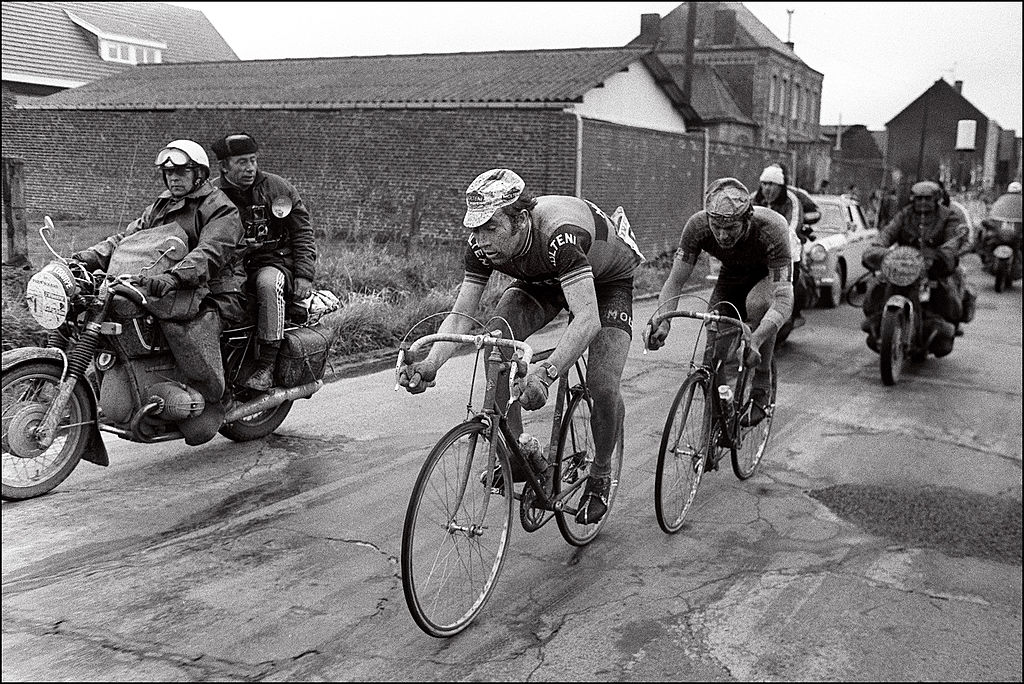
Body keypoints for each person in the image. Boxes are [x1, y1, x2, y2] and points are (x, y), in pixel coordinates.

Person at [397, 168, 644, 524]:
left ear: (522, 220)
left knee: (602, 383)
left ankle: (601, 475)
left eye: (491, 228)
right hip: (542, 281)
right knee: (496, 339)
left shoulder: (560, 234)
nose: (481, 240)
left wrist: (545, 373)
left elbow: (587, 319)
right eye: (475, 230)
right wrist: (430, 364)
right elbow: (462, 315)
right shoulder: (481, 247)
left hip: (606, 284)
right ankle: (517, 455)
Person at [72, 139, 246, 444]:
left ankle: (213, 396)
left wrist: (175, 276)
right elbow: (127, 238)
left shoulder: (220, 208)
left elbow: (211, 252)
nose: (174, 178)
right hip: (170, 287)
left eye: (181, 172)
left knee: (184, 329)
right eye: (168, 173)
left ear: (199, 174)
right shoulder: (161, 205)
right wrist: (88, 256)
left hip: (217, 290)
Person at [646, 177, 793, 426]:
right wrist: (662, 321)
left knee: (758, 305)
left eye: (731, 228)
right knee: (714, 344)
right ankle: (720, 409)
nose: (723, 236)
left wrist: (756, 339)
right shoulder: (698, 226)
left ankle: (761, 386)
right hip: (732, 275)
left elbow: (784, 300)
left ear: (747, 220)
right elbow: (675, 281)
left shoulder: (771, 229)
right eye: (717, 228)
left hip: (767, 276)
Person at [210, 133, 317, 391]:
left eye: (253, 160)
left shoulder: (278, 188)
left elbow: (302, 230)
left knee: (269, 284)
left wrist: (304, 274)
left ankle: (266, 365)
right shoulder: (212, 194)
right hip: (230, 264)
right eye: (241, 162)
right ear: (224, 166)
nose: (250, 168)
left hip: (273, 260)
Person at [860, 180, 963, 357]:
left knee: (949, 296)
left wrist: (939, 256)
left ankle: (948, 325)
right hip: (902, 268)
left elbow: (951, 245)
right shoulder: (904, 215)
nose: (922, 203)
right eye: (918, 199)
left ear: (937, 199)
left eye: (927, 199)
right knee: (875, 288)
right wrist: (878, 251)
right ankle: (879, 323)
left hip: (934, 269)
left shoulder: (948, 217)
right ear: (912, 199)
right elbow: (886, 235)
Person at [751, 164, 815, 328]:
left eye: (772, 184)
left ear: (781, 186)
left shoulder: (792, 201)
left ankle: (790, 312)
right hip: (757, 251)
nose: (767, 188)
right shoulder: (753, 199)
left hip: (786, 249)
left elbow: (792, 227)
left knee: (790, 283)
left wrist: (778, 240)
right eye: (764, 184)